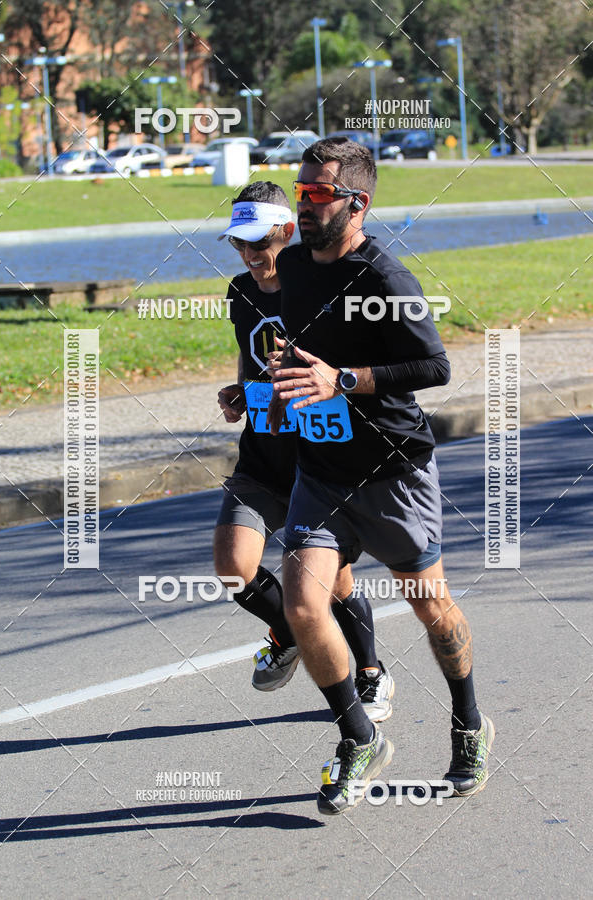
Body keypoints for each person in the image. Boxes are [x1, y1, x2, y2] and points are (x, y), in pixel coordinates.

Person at [267, 138, 494, 815]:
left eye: (315, 194)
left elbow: (434, 369)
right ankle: (358, 736)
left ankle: (470, 722)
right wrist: (261, 386)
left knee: (432, 608)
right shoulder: (291, 267)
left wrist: (343, 379)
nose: (300, 205)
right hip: (323, 471)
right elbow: (296, 348)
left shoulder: (385, 281)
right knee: (303, 605)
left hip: (393, 472)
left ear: (356, 204)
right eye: (299, 190)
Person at [213, 180, 394, 722]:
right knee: (232, 567)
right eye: (239, 245)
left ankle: (369, 672)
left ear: (287, 232)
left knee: (334, 586)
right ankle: (293, 632)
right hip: (262, 457)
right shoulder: (239, 292)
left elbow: (349, 371)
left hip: (319, 460)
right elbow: (254, 362)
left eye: (260, 244)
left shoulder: (317, 286)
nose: (249, 256)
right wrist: (241, 393)